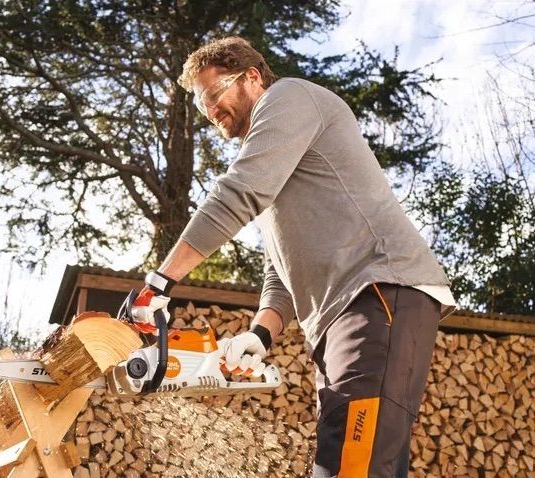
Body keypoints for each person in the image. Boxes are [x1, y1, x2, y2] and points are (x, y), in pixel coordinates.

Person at [129, 36, 456, 478]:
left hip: (377, 292)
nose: (210, 113)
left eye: (213, 96)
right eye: (203, 107)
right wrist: (260, 335)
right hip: (341, 317)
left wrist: (160, 283)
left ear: (251, 76)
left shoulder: (290, 97)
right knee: (356, 462)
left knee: (350, 465)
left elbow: (238, 193)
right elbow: (280, 270)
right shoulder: (275, 154)